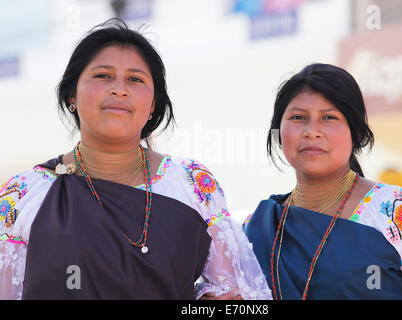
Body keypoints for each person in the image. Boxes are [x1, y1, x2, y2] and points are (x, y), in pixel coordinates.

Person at [0, 19, 272, 300]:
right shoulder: (24, 195)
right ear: (72, 96)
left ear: (153, 105)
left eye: (135, 79)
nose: (119, 89)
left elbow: (235, 293)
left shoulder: (190, 184)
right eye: (103, 75)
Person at [244, 63, 402, 300]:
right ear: (278, 133)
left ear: (357, 133)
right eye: (298, 117)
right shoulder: (258, 227)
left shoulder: (395, 212)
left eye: (329, 117)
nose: (312, 131)